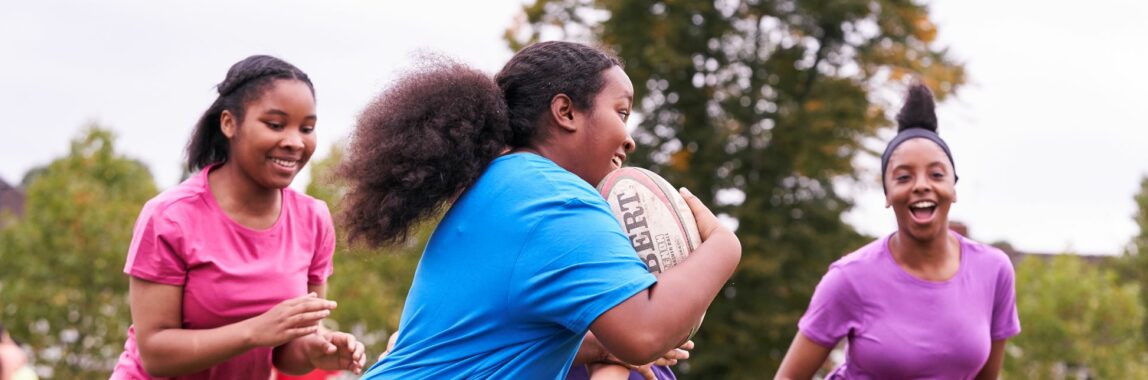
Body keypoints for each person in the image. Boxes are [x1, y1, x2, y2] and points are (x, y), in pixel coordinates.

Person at [338, 41, 741, 379]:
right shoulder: (558, 199)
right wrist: (724, 247)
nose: (628, 138)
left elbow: (496, 337)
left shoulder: (501, 184)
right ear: (565, 112)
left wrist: (599, 350)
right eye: (620, 112)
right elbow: (644, 333)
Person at [110, 55, 364, 379]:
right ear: (229, 123)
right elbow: (156, 354)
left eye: (307, 128)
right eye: (275, 124)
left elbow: (289, 352)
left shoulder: (313, 219)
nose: (294, 142)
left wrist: (319, 351)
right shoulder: (171, 218)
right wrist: (255, 331)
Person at [774, 83, 1021, 379]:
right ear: (888, 194)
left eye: (936, 174)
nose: (921, 185)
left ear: (953, 188)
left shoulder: (993, 271)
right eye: (904, 177)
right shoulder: (849, 278)